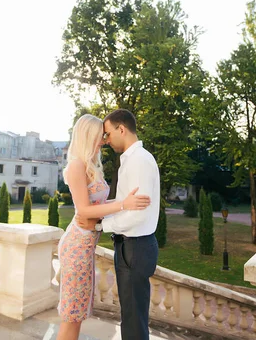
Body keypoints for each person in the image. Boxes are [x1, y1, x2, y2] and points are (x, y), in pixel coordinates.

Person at [57, 114, 151, 340]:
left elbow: (95, 206)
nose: (104, 140)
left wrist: (122, 204)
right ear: (89, 135)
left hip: (86, 247)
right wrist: (122, 204)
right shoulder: (76, 166)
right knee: (72, 316)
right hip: (76, 246)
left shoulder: (90, 166)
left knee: (77, 313)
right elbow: (84, 211)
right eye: (101, 135)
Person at [94, 109, 160, 340]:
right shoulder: (132, 160)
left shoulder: (139, 161)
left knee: (133, 319)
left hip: (135, 247)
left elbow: (138, 215)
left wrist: (101, 225)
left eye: (108, 134)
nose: (105, 141)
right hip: (130, 247)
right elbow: (127, 204)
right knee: (132, 316)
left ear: (121, 129)